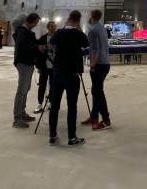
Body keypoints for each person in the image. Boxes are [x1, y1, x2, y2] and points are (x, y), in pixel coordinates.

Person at [48, 10, 89, 146]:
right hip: (72, 74)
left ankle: (52, 135)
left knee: (55, 106)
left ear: (68, 19)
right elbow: (86, 44)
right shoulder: (78, 34)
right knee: (72, 106)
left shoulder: (59, 32)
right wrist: (79, 29)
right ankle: (71, 137)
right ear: (79, 21)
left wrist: (63, 28)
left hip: (58, 73)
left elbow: (52, 41)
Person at [82, 9, 112, 131]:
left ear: (91, 16)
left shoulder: (93, 30)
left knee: (98, 92)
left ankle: (106, 119)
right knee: (95, 90)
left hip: (99, 65)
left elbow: (95, 50)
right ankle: (94, 116)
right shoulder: (101, 28)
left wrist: (92, 65)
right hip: (105, 63)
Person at [11, 14, 40, 128]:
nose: (36, 25)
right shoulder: (22, 32)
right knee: (21, 90)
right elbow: (21, 48)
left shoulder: (26, 31)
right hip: (23, 63)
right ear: (28, 21)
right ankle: (17, 118)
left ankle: (22, 113)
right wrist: (36, 48)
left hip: (28, 62)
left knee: (26, 89)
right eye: (35, 22)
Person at [33, 20, 57, 113]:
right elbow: (38, 54)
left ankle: (51, 102)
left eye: (54, 26)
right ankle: (40, 103)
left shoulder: (58, 38)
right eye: (51, 26)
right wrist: (38, 67)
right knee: (42, 84)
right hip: (44, 66)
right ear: (48, 27)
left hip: (54, 66)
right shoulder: (42, 39)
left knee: (53, 85)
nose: (53, 28)